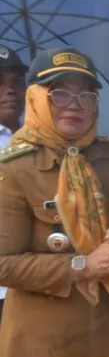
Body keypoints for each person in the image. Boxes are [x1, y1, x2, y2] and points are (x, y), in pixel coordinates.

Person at [0, 46, 109, 357]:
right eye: (59, 92)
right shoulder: (14, 169)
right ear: (36, 99)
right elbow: (3, 264)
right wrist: (84, 266)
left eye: (86, 94)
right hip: (44, 349)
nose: (74, 104)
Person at [0, 46, 27, 323]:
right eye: (0, 81)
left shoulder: (42, 141)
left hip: (27, 288)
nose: (10, 90)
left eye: (17, 81)